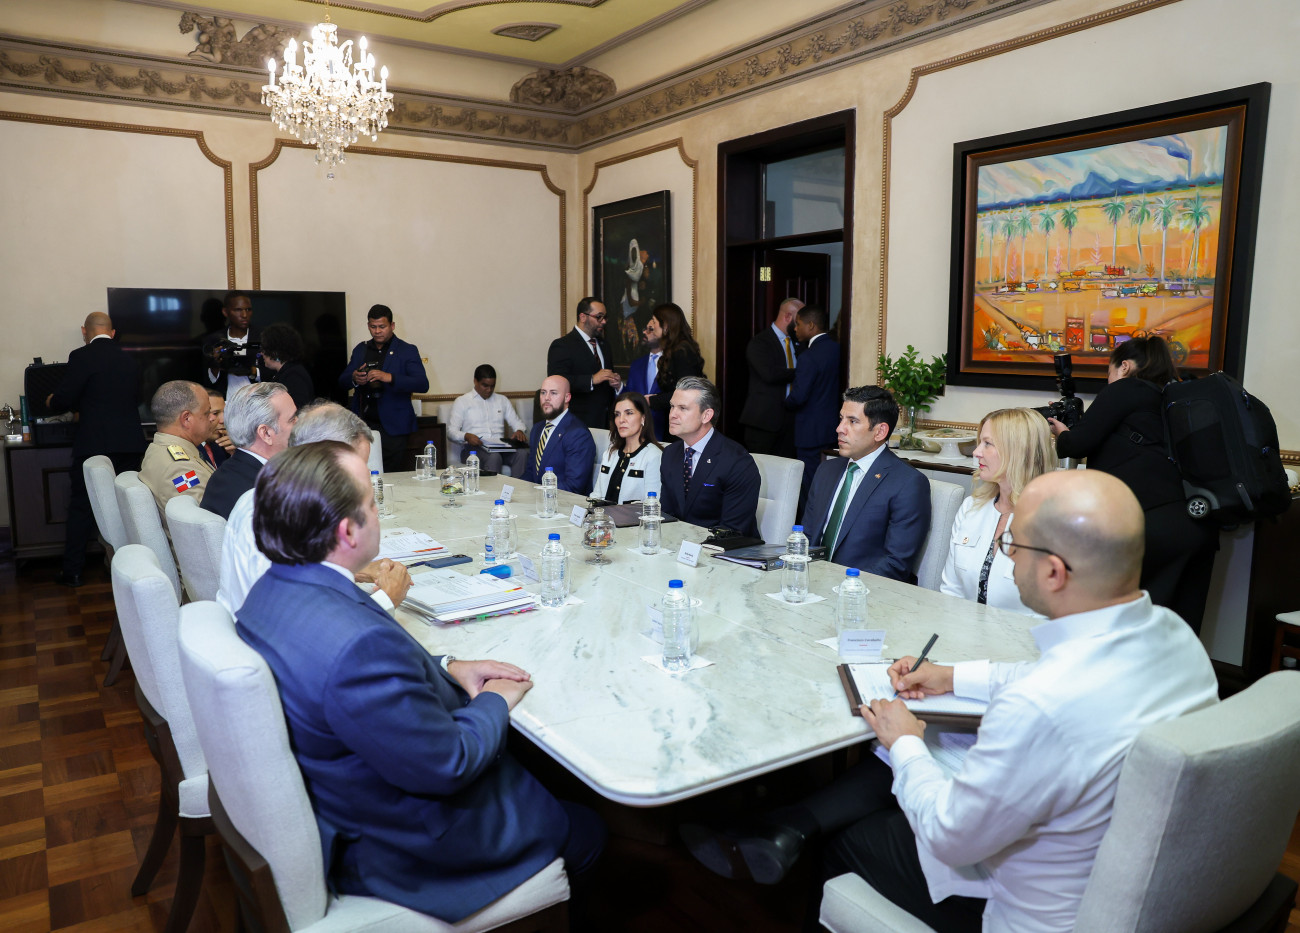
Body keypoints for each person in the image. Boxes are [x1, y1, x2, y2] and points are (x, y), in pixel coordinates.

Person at [682, 470, 1219, 933]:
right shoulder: (1171, 635)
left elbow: (949, 835)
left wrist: (906, 742)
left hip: (1026, 906)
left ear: (1054, 571)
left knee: (869, 811)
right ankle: (780, 827)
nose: (1008, 555)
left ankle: (794, 840)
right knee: (937, 742)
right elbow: (1038, 674)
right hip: (1121, 862)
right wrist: (948, 676)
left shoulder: (1041, 707)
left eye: (1013, 545)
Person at [237, 441, 604, 923]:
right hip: (405, 847)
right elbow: (449, 763)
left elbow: (352, 677)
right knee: (587, 829)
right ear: (348, 530)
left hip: (344, 794)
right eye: (372, 504)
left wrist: (447, 664)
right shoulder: (355, 647)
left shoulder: (272, 590)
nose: (377, 513)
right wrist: (494, 700)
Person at [1049, 336, 1219, 632]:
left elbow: (1076, 444)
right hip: (1198, 523)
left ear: (1124, 366)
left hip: (1152, 525)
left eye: (1110, 372)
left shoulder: (1126, 389)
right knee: (1180, 630)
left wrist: (1062, 433)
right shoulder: (1174, 397)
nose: (1109, 380)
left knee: (1130, 628)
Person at [216, 401, 411, 615]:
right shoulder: (278, 518)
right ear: (319, 461)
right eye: (354, 470)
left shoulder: (271, 495)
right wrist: (387, 598)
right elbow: (303, 620)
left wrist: (356, 570)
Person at [44, 311, 146, 587]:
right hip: (130, 443)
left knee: (82, 506)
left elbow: (66, 397)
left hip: (94, 443)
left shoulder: (80, 356)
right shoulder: (130, 359)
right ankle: (130, 568)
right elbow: (137, 398)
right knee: (128, 505)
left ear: (84, 332)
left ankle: (73, 571)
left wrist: (52, 401)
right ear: (112, 333)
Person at [801, 386, 931, 582]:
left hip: (861, 590)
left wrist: (843, 586)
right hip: (812, 582)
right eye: (841, 419)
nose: (839, 429)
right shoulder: (826, 470)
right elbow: (807, 537)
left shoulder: (907, 483)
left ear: (880, 432)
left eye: (852, 421)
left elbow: (895, 564)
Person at [940, 408, 1058, 616]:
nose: (976, 452)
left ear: (1018, 451)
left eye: (988, 444)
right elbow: (951, 591)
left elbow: (1053, 613)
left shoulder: (1055, 522)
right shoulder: (971, 507)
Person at [659, 376, 760, 537]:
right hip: (678, 543)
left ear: (706, 415)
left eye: (683, 408)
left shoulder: (737, 461)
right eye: (672, 406)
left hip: (725, 547)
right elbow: (666, 514)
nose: (672, 414)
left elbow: (733, 530)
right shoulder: (670, 453)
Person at [340, 304, 429, 473]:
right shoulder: (361, 349)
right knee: (362, 472)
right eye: (373, 327)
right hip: (364, 423)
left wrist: (389, 377)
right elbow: (342, 381)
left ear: (392, 326)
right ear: (368, 326)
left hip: (394, 426)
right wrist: (354, 378)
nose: (377, 331)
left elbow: (422, 384)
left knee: (391, 475)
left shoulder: (407, 350)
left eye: (382, 326)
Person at [199, 382, 296, 520]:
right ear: (266, 433)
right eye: (292, 419)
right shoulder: (264, 495)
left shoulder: (228, 472)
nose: (299, 423)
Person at [784, 304, 841, 509]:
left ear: (811, 325)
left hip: (809, 432)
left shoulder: (808, 356)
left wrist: (784, 403)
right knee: (828, 481)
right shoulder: (838, 349)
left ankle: (809, 525)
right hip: (832, 428)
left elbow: (799, 397)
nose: (795, 329)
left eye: (798, 324)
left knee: (809, 485)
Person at [138, 380, 217, 511]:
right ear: (186, 419)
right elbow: (207, 517)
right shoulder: (180, 468)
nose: (213, 418)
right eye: (207, 413)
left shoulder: (159, 449)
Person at [546, 296, 622, 429]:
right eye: (599, 317)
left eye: (605, 317)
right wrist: (591, 380)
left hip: (607, 423)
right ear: (583, 317)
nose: (604, 321)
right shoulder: (562, 345)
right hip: (579, 423)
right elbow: (557, 384)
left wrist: (615, 384)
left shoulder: (605, 345)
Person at [739, 298, 801, 456]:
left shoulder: (798, 342)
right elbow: (770, 374)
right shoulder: (760, 342)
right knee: (762, 467)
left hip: (790, 422)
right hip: (763, 422)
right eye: (800, 318)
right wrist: (802, 371)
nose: (803, 323)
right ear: (788, 316)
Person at [520, 375, 596, 495]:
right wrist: (515, 489)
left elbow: (574, 486)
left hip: (565, 502)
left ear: (567, 398)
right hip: (538, 500)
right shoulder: (537, 429)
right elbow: (530, 473)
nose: (546, 398)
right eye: (543, 392)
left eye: (553, 393)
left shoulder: (578, 434)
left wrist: (537, 494)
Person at [447, 363, 529, 475]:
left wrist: (519, 430)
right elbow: (451, 432)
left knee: (522, 454)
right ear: (475, 381)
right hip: (474, 449)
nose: (489, 390)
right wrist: (466, 436)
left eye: (492, 386)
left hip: (500, 447)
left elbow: (517, 423)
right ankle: (493, 487)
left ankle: (518, 486)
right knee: (494, 457)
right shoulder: (462, 402)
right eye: (485, 385)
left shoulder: (502, 400)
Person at [594, 392, 663, 503]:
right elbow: (596, 495)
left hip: (635, 515)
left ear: (643, 418)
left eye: (629, 413)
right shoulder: (610, 453)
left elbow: (652, 503)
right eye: (617, 414)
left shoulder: (653, 455)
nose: (621, 420)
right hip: (601, 514)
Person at [643, 302, 705, 419]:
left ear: (665, 325)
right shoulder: (673, 349)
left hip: (685, 418)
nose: (652, 326)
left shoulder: (682, 351)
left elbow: (686, 391)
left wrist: (652, 400)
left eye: (654, 322)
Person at [201, 290, 259, 398]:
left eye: (248, 309)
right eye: (238, 310)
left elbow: (273, 373)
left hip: (258, 400)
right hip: (226, 401)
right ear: (225, 312)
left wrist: (251, 371)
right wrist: (216, 364)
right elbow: (208, 381)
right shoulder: (213, 340)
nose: (244, 315)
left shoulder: (263, 337)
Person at [622, 316, 668, 440]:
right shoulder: (637, 364)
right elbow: (629, 395)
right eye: (645, 328)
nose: (644, 332)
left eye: (650, 329)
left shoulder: (673, 363)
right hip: (637, 434)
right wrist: (618, 387)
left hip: (665, 433)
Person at [258, 322, 314, 409]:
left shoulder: (294, 376)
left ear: (275, 352)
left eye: (264, 349)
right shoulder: (287, 372)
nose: (261, 353)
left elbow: (299, 409)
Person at [199, 389, 233, 469]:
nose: (223, 420)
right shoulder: (187, 450)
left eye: (225, 412)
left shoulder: (222, 444)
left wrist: (235, 455)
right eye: (215, 413)